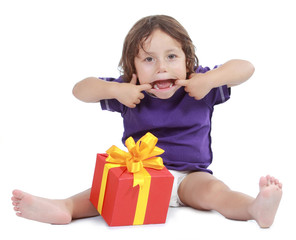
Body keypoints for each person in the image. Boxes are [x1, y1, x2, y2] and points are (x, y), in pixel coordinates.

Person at [11, 15, 282, 228]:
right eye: (149, 59)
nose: (161, 66)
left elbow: (246, 67)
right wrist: (114, 90)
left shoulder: (201, 85)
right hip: (142, 177)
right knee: (104, 192)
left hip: (191, 176)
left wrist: (210, 80)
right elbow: (80, 90)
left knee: (215, 192)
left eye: (172, 56)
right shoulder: (130, 92)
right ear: (134, 69)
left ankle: (254, 208)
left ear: (188, 61)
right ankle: (66, 207)